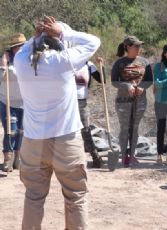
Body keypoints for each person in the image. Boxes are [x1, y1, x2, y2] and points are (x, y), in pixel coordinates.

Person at [14, 16, 100, 229]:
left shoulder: (21, 61)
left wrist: (39, 34)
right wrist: (62, 30)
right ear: (58, 39)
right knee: (76, 196)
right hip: (65, 139)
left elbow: (27, 47)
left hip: (33, 141)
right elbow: (93, 41)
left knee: (33, 197)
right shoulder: (63, 61)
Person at [111, 35, 153, 167]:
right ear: (128, 47)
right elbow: (114, 81)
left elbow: (149, 80)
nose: (139, 48)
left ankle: (133, 155)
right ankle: (124, 156)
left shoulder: (144, 62)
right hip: (123, 101)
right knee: (124, 128)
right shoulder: (119, 63)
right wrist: (126, 86)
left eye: (140, 46)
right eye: (136, 46)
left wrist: (142, 87)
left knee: (134, 128)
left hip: (140, 101)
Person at [0, 33, 26, 173]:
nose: (20, 49)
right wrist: (3, 67)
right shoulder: (5, 60)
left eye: (22, 46)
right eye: (17, 47)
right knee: (11, 131)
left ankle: (18, 159)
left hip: (25, 102)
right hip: (7, 101)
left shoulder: (28, 60)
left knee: (22, 132)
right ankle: (7, 159)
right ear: (12, 48)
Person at [75, 60, 104, 168]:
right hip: (66, 101)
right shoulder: (67, 61)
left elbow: (102, 80)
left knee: (85, 130)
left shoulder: (89, 65)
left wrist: (102, 66)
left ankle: (95, 157)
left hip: (82, 101)